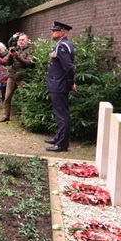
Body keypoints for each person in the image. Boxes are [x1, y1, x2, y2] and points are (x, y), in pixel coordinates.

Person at [45, 21, 76, 152]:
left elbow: (68, 67)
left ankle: (62, 144)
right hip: (58, 83)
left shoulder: (62, 46)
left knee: (62, 115)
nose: (51, 32)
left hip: (59, 84)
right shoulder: (62, 44)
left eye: (54, 30)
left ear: (62, 32)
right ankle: (59, 137)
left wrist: (71, 83)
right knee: (60, 114)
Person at [0, 33, 34, 122]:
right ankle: (6, 115)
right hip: (12, 76)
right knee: (7, 97)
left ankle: (23, 119)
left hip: (22, 77)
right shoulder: (16, 49)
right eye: (19, 40)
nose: (21, 42)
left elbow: (29, 64)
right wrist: (11, 55)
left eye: (23, 40)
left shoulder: (30, 50)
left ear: (27, 40)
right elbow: (9, 63)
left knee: (24, 99)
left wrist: (17, 57)